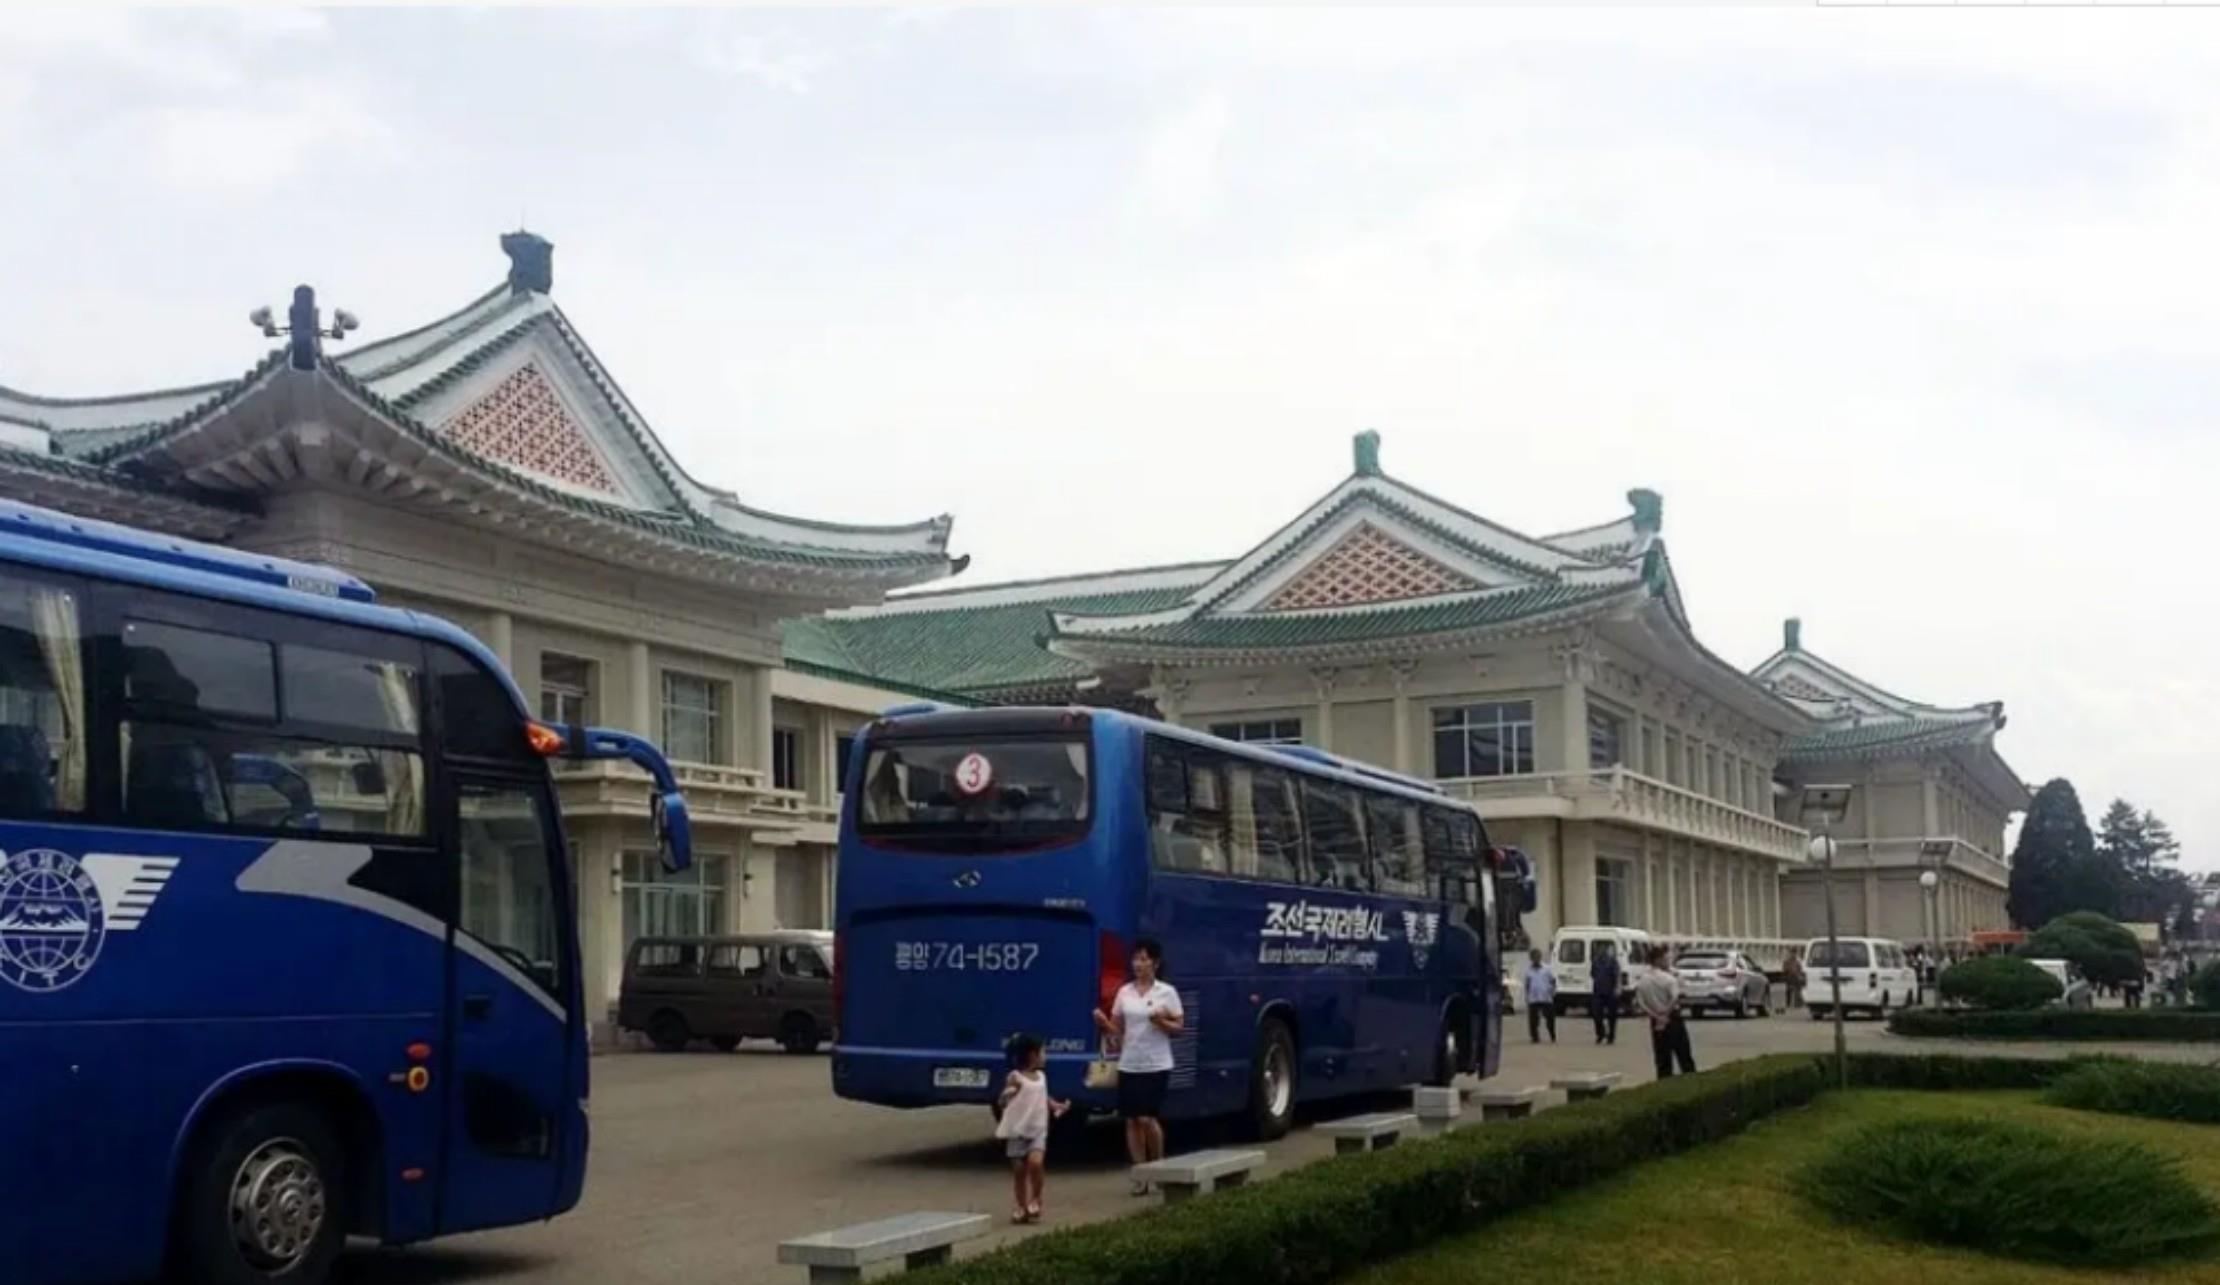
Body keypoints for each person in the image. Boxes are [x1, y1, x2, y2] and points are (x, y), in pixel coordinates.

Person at [1094, 938, 1183, 1196]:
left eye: (1144, 959)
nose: (1139, 964)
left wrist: (1161, 1022)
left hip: (1157, 1063)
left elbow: (1179, 1027)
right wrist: (1103, 1022)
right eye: (1135, 959)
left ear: (1154, 963)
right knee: (1132, 1120)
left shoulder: (1166, 992)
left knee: (1147, 1118)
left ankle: (1158, 1166)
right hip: (1130, 1064)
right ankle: (1140, 1173)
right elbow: (1117, 1030)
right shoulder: (1125, 992)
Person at [995, 1033, 1069, 1224]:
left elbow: (1043, 1097)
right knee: (1019, 1170)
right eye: (1043, 1052)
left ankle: (1036, 1197)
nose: (1046, 1056)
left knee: (1036, 1163)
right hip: (1017, 1129)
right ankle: (1021, 1205)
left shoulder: (1041, 1077)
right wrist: (1006, 1096)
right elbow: (1004, 1099)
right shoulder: (1015, 1077)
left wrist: (1056, 1106)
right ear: (1031, 1055)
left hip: (1037, 1129)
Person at [1635, 945, 1695, 1079]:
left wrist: (1655, 1016)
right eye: (1666, 958)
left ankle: (1663, 1084)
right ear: (1658, 960)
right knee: (1684, 1056)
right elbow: (1675, 997)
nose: (1668, 961)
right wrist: (1666, 1015)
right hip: (1673, 1019)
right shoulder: (1669, 979)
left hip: (1656, 1022)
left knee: (1662, 1059)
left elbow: (1641, 1003)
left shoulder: (1643, 980)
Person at [1523, 948, 1558, 1043]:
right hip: (1533, 998)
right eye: (1533, 957)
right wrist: (1526, 995)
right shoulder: (1528, 970)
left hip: (1546, 997)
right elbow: (1527, 984)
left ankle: (1552, 1034)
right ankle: (1535, 1037)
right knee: (1533, 1019)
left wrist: (1553, 991)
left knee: (1550, 1018)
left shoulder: (1547, 969)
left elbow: (1553, 980)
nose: (1536, 959)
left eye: (1537, 957)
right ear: (1531, 959)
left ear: (1540, 957)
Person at [1590, 943, 1621, 1045]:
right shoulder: (1595, 961)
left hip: (1610, 991)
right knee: (1596, 1015)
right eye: (1600, 949)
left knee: (1612, 1016)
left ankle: (1611, 1036)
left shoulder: (1612, 961)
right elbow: (1593, 974)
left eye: (1603, 949)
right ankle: (1600, 1033)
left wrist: (1617, 988)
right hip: (1598, 991)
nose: (1601, 951)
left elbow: (1617, 976)